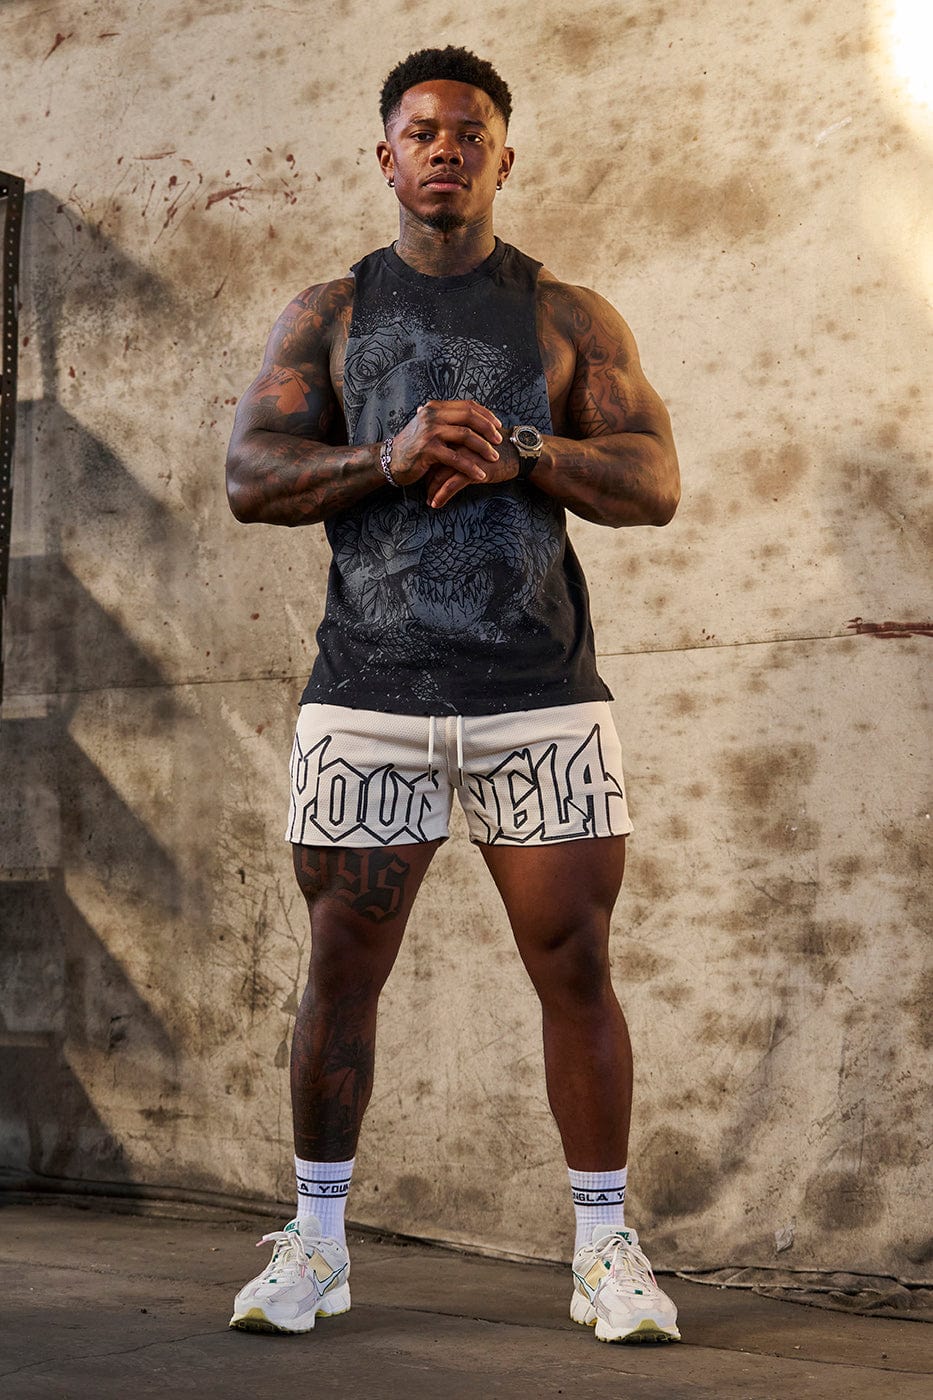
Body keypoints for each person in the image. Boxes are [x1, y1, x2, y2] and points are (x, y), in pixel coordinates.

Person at [224, 45, 681, 1344]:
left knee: (575, 962)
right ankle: (316, 1246)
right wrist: (391, 450)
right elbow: (250, 475)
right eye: (420, 131)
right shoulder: (330, 314)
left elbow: (653, 482)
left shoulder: (567, 316)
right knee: (340, 966)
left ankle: (603, 1253)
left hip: (538, 696)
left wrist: (521, 447)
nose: (444, 149)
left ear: (502, 158)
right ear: (386, 156)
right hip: (366, 693)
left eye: (468, 132)